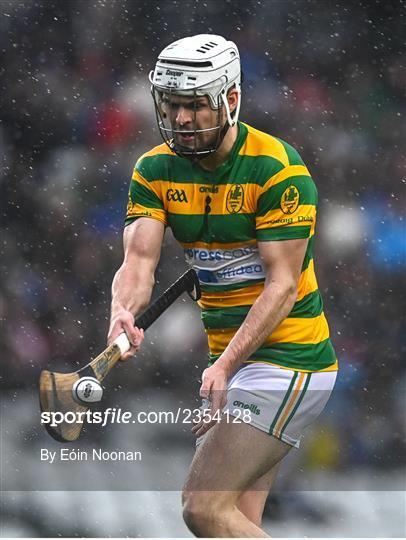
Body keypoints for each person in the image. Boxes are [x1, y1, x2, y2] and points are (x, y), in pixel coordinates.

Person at [108, 34, 338, 538]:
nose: (182, 118)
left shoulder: (277, 170)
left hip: (289, 363)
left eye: (195, 105)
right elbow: (138, 261)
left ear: (230, 100)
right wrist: (121, 312)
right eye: (172, 104)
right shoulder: (154, 170)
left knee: (201, 507)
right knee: (233, 525)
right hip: (237, 366)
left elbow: (282, 287)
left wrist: (225, 365)